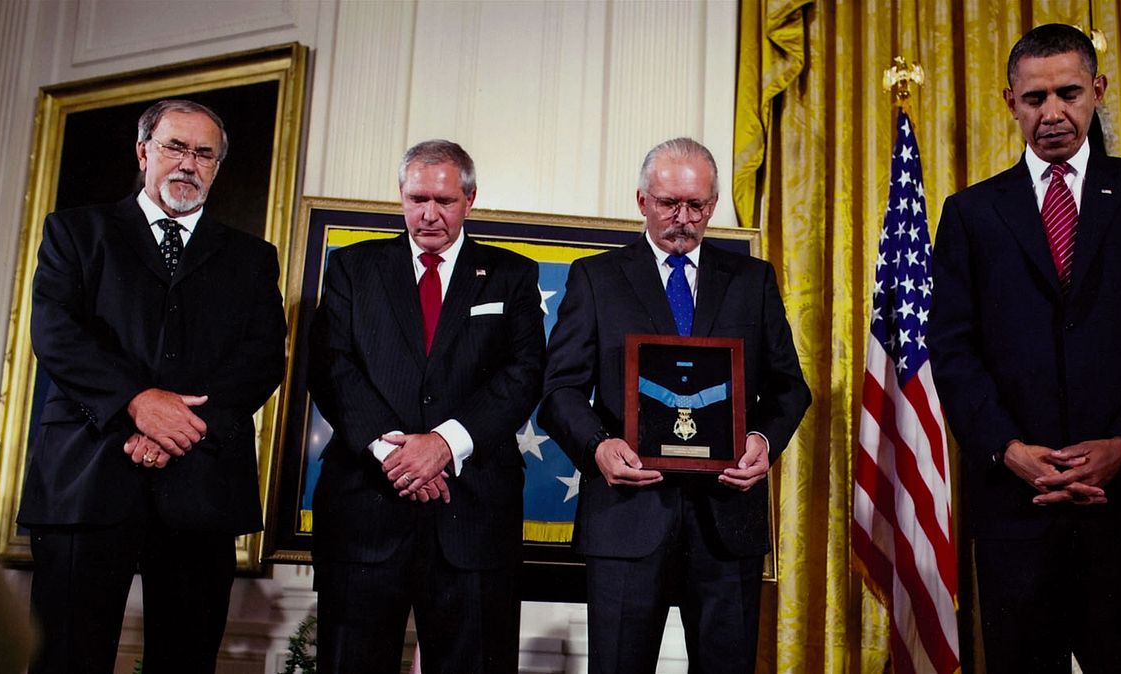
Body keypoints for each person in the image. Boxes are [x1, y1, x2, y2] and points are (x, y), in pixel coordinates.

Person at [929, 24, 1121, 674]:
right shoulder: (971, 213)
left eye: (1068, 92)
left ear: (1097, 90)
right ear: (1010, 101)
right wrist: (1008, 449)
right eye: (1034, 98)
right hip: (1015, 504)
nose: (1051, 112)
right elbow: (952, 347)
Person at [18, 99, 287, 674]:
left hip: (200, 485)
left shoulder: (253, 259)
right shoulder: (75, 232)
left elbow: (261, 360)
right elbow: (59, 335)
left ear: (217, 166)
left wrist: (178, 429)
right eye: (174, 147)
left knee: (186, 661)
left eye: (203, 153)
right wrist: (138, 406)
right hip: (86, 481)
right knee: (65, 658)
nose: (188, 163)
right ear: (143, 152)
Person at [538, 138, 811, 674]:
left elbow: (789, 388)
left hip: (726, 521)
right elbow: (559, 390)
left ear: (712, 205)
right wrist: (598, 446)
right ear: (641, 200)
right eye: (669, 204)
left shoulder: (752, 281)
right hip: (626, 517)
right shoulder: (596, 278)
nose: (684, 219)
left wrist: (761, 441)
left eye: (698, 206)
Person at [308, 139, 545, 673]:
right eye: (417, 199)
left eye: (444, 201)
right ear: (400, 197)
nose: (429, 214)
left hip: (473, 513)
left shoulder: (511, 275)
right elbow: (330, 367)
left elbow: (525, 372)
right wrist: (396, 453)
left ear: (470, 199)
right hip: (366, 508)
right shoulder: (352, 268)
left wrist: (444, 444)